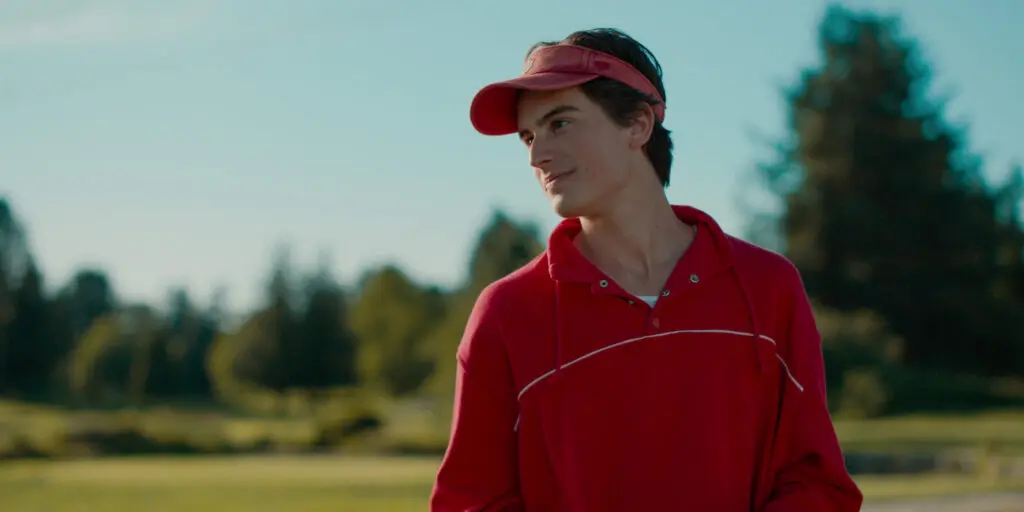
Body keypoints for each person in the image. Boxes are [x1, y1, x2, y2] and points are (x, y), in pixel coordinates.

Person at [430, 28, 863, 511]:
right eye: (528, 136)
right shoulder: (507, 313)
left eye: (560, 123)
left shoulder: (767, 285)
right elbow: (472, 502)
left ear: (637, 124)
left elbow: (817, 480)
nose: (537, 155)